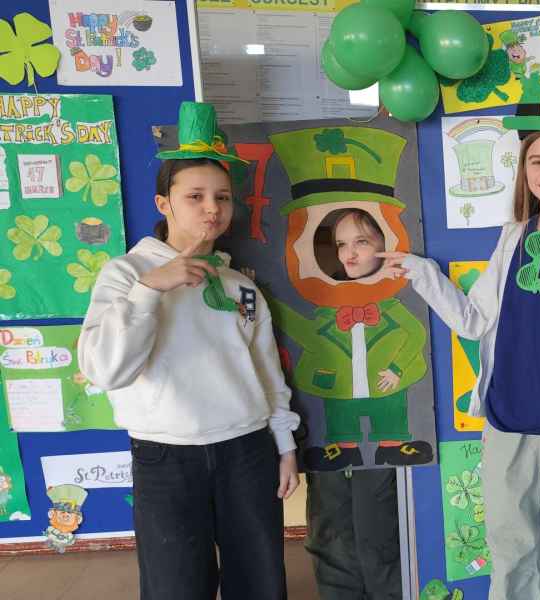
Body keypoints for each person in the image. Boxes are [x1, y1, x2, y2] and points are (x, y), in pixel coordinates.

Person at [378, 73, 540, 599]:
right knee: (511, 551)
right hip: (506, 421)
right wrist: (422, 273)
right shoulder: (514, 235)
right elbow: (475, 320)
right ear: (523, 169)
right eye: (537, 161)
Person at [78, 102, 300, 600]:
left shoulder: (239, 285)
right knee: (175, 585)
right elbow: (105, 370)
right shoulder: (127, 274)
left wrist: (285, 445)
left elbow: (267, 374)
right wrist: (151, 289)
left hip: (246, 449)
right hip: (165, 455)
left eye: (222, 197)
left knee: (260, 580)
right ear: (164, 204)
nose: (211, 209)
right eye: (194, 196)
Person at [303, 207, 403, 600]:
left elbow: (412, 341)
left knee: (379, 523)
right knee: (330, 522)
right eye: (341, 244)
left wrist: (397, 368)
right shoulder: (322, 300)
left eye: (362, 241)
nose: (350, 253)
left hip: (382, 428)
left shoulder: (396, 299)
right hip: (333, 425)